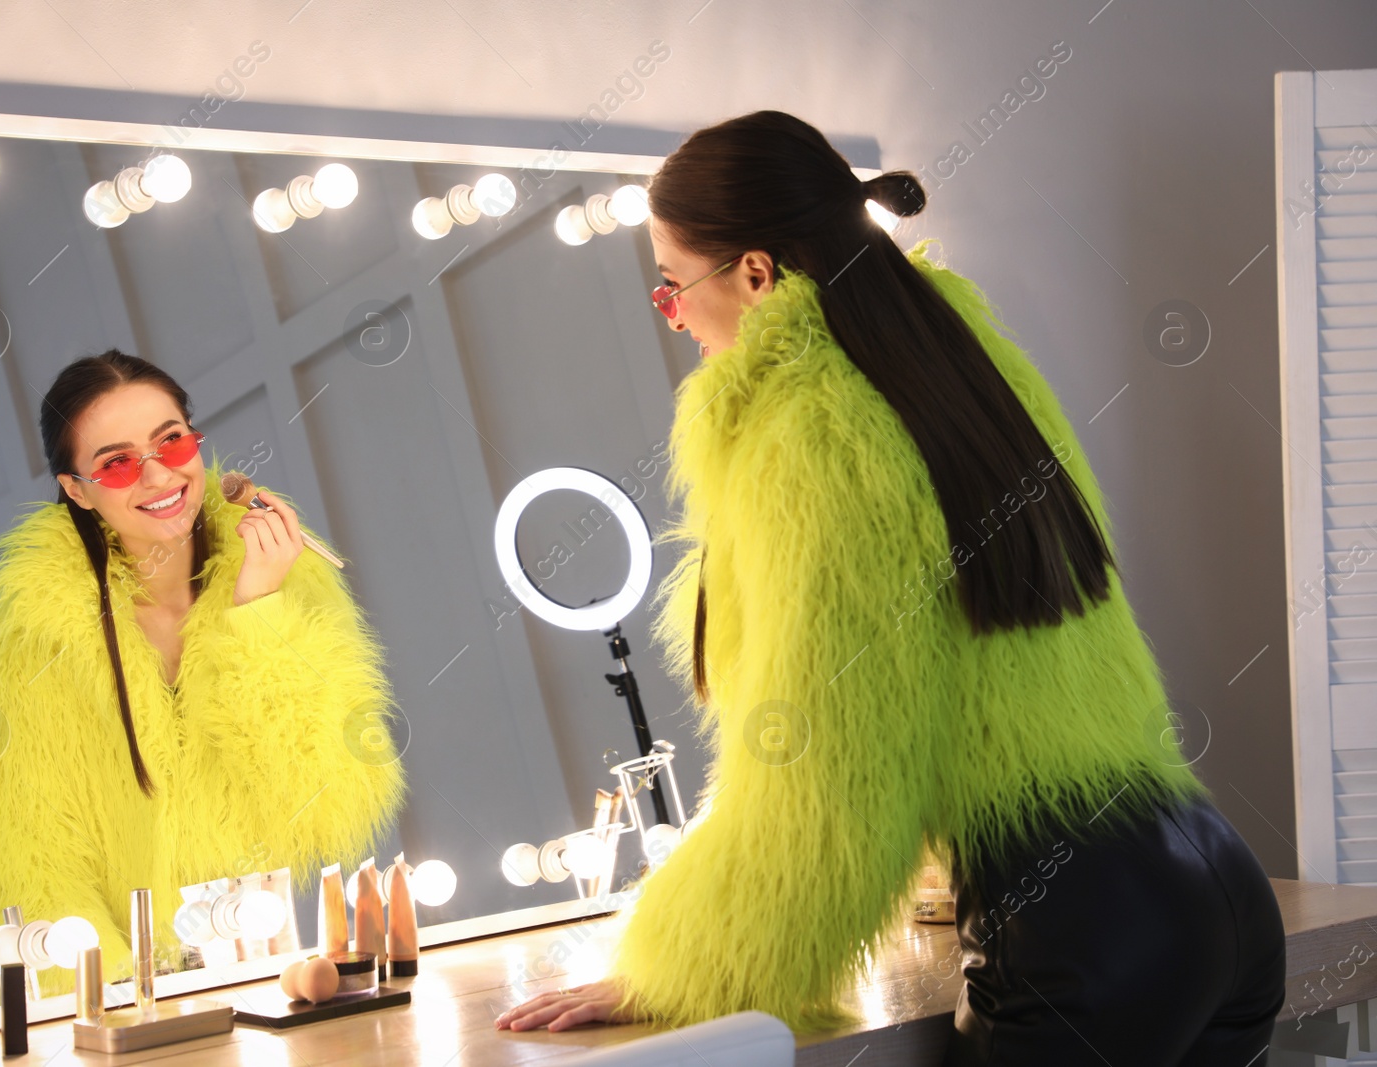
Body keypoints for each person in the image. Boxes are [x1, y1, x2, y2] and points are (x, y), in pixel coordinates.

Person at [495, 111, 1285, 1064]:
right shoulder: (951, 360)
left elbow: (824, 771)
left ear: (754, 273)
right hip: (1211, 882)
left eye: (671, 287)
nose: (674, 318)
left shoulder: (809, 436)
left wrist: (682, 967)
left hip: (1080, 931)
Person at [0, 350, 405, 993]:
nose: (159, 474)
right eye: (116, 462)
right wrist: (122, 1006)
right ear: (76, 489)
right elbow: (28, 861)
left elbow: (328, 802)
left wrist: (257, 610)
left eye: (171, 440)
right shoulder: (32, 635)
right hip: (130, 1002)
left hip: (275, 975)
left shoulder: (285, 574)